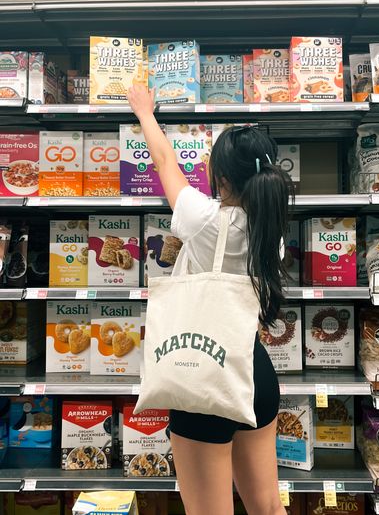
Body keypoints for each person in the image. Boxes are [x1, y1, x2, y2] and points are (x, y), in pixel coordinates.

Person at [128, 85, 294, 515]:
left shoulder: (201, 218)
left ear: (220, 178)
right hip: (254, 373)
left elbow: (164, 161)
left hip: (201, 376)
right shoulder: (269, 229)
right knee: (268, 508)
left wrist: (145, 112)